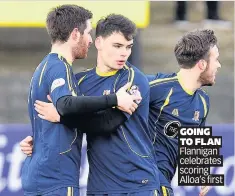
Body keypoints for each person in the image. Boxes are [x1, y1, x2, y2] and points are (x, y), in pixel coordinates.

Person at [21, 14, 160, 195]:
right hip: (99, 186)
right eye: (117, 46)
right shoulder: (80, 81)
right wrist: (37, 140)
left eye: (129, 47)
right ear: (99, 42)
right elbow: (60, 110)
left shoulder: (134, 80)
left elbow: (107, 123)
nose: (124, 53)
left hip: (137, 183)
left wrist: (62, 118)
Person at [147, 29, 220, 196]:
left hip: (165, 179)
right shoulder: (157, 87)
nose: (219, 65)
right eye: (216, 59)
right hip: (147, 178)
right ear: (202, 64)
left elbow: (194, 143)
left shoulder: (203, 101)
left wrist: (202, 173)